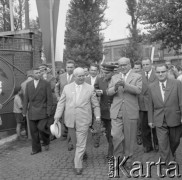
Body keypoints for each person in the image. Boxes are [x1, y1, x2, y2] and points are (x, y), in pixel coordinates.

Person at [54, 67, 100, 175]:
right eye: (79, 76)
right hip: (70, 120)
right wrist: (57, 117)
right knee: (75, 142)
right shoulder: (67, 88)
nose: (82, 77)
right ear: (74, 76)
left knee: (80, 143)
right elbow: (61, 103)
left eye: (83, 75)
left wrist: (97, 117)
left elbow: (95, 105)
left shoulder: (90, 88)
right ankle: (82, 153)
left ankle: (78, 164)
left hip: (84, 120)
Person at [107, 57, 142, 169]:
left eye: (124, 64)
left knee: (129, 136)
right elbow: (108, 92)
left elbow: (138, 90)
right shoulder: (114, 77)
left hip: (130, 110)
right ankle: (118, 157)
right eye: (120, 65)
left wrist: (125, 85)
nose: (122, 67)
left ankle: (128, 158)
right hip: (116, 110)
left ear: (129, 64)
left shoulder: (137, 76)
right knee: (116, 135)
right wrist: (116, 87)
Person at [148, 64, 182, 164]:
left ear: (167, 72)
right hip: (159, 119)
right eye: (158, 72)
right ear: (155, 73)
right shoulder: (151, 87)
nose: (161, 74)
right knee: (162, 143)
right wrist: (150, 120)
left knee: (175, 141)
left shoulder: (176, 83)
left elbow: (181, 101)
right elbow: (150, 105)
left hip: (174, 117)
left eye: (163, 71)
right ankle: (167, 162)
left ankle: (171, 153)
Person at [23, 67, 53, 155]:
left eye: (39, 72)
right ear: (32, 74)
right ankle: (36, 149)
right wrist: (24, 112)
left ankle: (46, 141)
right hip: (32, 111)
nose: (38, 74)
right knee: (33, 131)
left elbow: (49, 98)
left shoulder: (46, 83)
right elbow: (26, 99)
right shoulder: (28, 84)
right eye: (36, 73)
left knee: (41, 128)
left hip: (43, 110)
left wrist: (48, 111)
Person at [94, 63, 115, 159]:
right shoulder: (99, 79)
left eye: (107, 73)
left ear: (112, 72)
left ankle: (111, 153)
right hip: (104, 111)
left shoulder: (117, 79)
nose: (105, 74)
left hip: (115, 110)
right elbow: (95, 89)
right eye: (104, 72)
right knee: (107, 132)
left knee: (112, 133)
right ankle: (112, 148)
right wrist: (97, 93)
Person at [138, 59, 158, 152]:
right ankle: (147, 145)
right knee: (144, 126)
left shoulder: (157, 74)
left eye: (147, 64)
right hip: (142, 104)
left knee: (156, 126)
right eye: (143, 64)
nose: (145, 66)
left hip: (154, 103)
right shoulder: (139, 75)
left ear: (151, 64)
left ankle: (157, 144)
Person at [55, 60, 75, 150]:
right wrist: (58, 97)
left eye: (71, 67)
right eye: (68, 67)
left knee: (72, 123)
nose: (70, 69)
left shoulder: (77, 76)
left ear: (74, 68)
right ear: (65, 67)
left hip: (74, 104)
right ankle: (69, 137)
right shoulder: (61, 76)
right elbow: (57, 87)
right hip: (63, 104)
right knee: (66, 122)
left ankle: (70, 142)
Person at [85, 63, 100, 148]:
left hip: (98, 103)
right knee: (88, 123)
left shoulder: (101, 79)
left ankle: (96, 140)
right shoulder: (85, 79)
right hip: (87, 104)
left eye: (95, 70)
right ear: (89, 70)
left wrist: (99, 92)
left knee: (97, 123)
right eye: (92, 70)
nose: (93, 72)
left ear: (97, 71)